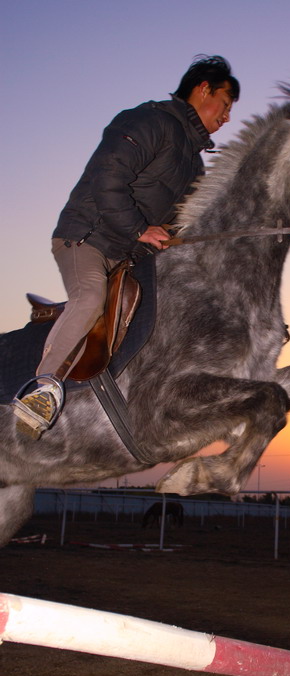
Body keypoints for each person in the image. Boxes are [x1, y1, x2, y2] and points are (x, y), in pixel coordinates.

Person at [13, 55, 239, 439]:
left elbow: (180, 224)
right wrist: (139, 229)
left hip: (127, 254)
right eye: (227, 103)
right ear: (204, 90)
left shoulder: (196, 166)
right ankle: (41, 391)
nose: (228, 116)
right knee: (88, 299)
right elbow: (109, 177)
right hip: (87, 237)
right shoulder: (151, 120)